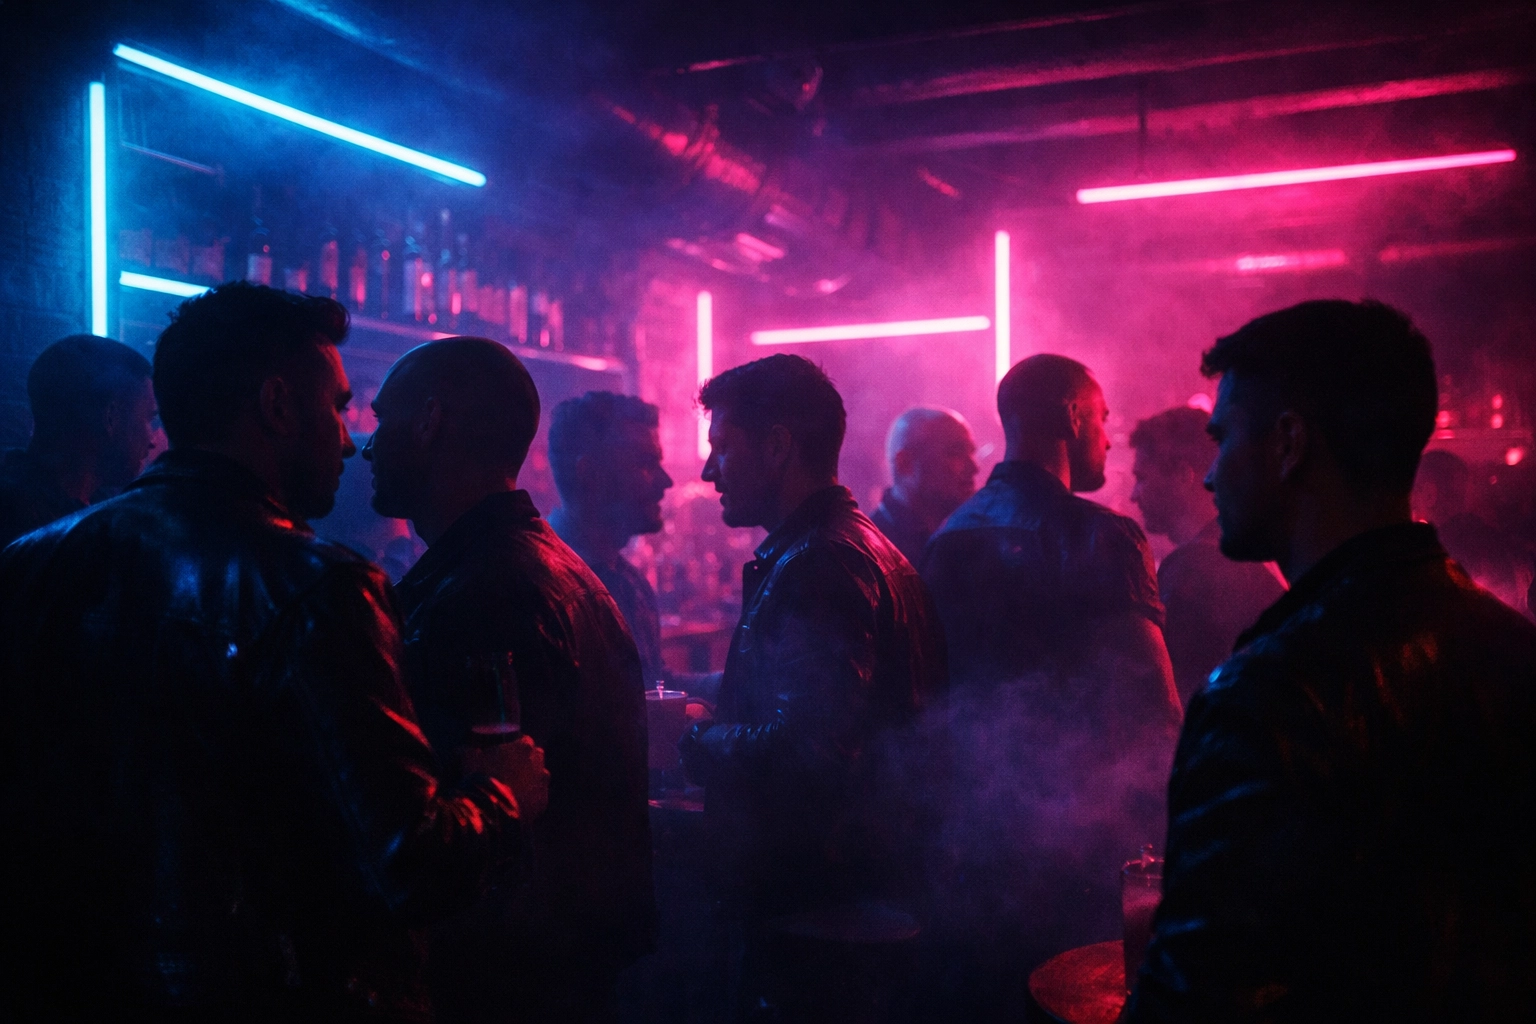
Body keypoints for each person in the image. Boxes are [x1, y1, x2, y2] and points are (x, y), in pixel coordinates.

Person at [0, 282, 547, 1022]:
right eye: (338, 407)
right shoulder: (318, 586)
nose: (351, 438)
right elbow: (406, 864)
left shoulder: (30, 563)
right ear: (279, 405)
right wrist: (504, 794)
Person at [1125, 300, 1536, 1024]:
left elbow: (1198, 996)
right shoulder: (1511, 645)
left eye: (1222, 441)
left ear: (1288, 444)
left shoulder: (1267, 692)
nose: (1210, 477)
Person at [363, 339, 655, 1024]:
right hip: (566, 967)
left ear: (430, 420)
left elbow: (474, 828)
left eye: (381, 421)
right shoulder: (547, 566)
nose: (365, 447)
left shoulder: (484, 590)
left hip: (509, 981)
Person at [677, 353, 947, 1017]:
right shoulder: (855, 545)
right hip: (866, 898)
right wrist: (699, 684)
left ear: (776, 447)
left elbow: (811, 748)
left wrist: (696, 739)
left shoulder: (818, 563)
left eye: (722, 448)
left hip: (822, 918)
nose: (710, 471)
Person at [920, 354, 1181, 1010]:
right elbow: (1155, 705)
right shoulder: (1102, 536)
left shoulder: (949, 538)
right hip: (1081, 844)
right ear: (1071, 415)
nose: (1108, 437)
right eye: (1101, 418)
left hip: (976, 836)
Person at [1130, 406, 1284, 703]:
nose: (1133, 494)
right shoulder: (1256, 553)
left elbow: (1175, 693)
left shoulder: (1193, 567)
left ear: (1182, 476)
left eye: (1142, 478)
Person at [547, 391, 674, 689]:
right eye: (645, 463)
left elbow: (652, 687)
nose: (665, 481)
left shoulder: (630, 581)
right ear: (589, 474)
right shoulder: (546, 587)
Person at [0, 333, 160, 546]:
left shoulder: (97, 513)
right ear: (110, 417)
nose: (152, 440)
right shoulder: (27, 525)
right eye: (148, 419)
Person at [1412, 448, 1533, 615]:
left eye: (1414, 492)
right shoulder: (1493, 540)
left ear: (1429, 494)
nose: (1411, 502)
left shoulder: (1436, 553)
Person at [869, 406, 979, 565]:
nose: (974, 468)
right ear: (905, 464)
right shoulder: (870, 548)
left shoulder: (968, 535)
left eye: (971, 453)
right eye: (956, 453)